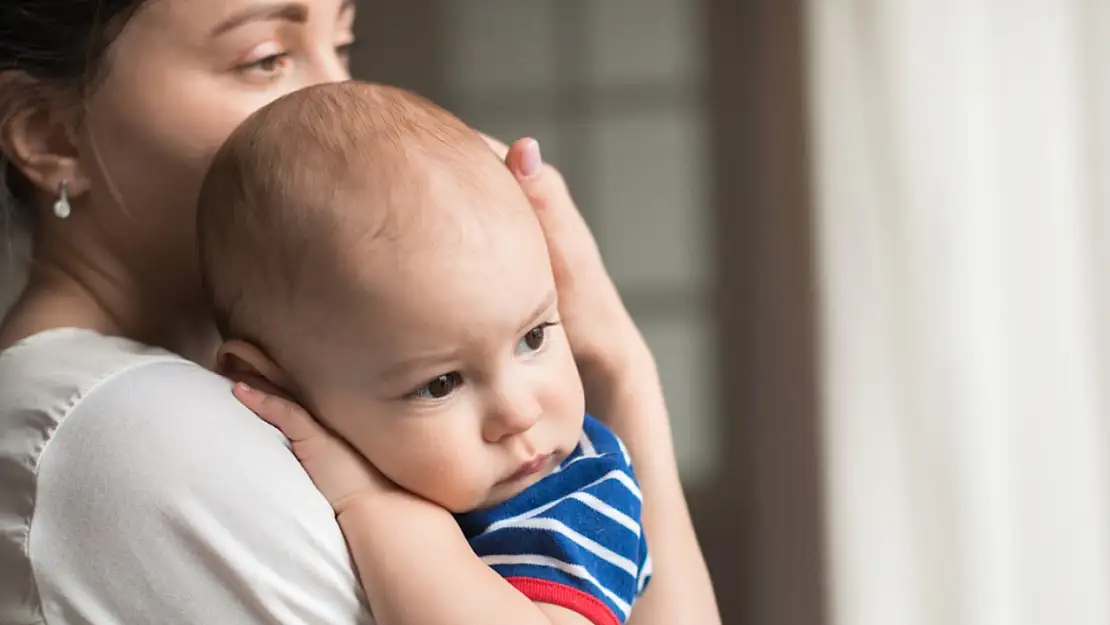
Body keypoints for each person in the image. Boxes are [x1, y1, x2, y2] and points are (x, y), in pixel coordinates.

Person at [0, 0, 719, 623]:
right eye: (266, 58)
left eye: (343, 46)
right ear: (48, 134)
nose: (335, 96)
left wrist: (616, 362)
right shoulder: (134, 433)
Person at [197, 80, 650, 625]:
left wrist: (375, 506)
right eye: (442, 383)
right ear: (273, 386)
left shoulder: (573, 494)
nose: (519, 413)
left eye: (533, 337)